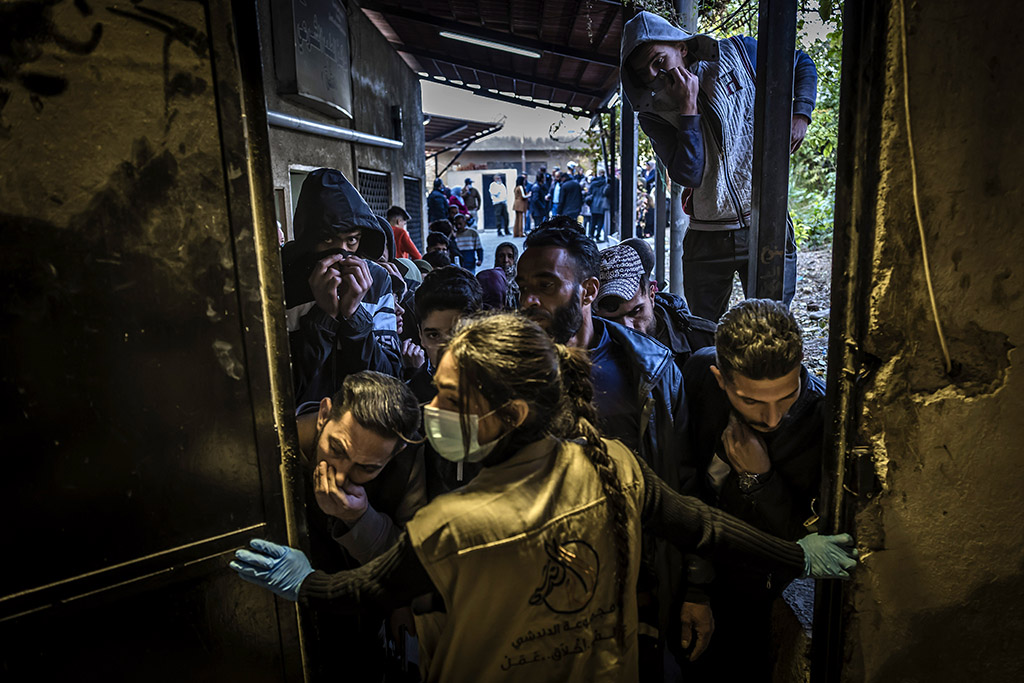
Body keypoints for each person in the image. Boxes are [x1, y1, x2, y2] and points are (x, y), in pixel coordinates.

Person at [232, 314, 858, 683]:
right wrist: (796, 555)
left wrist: (303, 580)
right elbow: (700, 525)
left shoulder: (454, 523)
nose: (431, 410)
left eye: (450, 399)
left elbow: (362, 592)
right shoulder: (610, 464)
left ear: (509, 415)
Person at [518, 223, 695, 677]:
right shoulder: (508, 377)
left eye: (546, 285)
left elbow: (685, 482)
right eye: (524, 286)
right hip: (542, 594)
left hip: (641, 593)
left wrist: (697, 588)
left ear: (588, 290)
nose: (529, 300)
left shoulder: (652, 371)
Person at [620, 11, 817, 321]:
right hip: (707, 237)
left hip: (766, 223)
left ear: (681, 47)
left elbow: (800, 62)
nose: (656, 75)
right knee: (706, 334)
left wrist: (800, 113)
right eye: (646, 73)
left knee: (774, 325)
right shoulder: (654, 114)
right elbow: (689, 174)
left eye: (659, 61)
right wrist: (688, 110)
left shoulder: (739, 53)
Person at [681, 299, 827, 681]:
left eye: (787, 396)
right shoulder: (697, 375)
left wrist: (760, 480)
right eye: (751, 401)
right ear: (720, 378)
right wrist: (694, 585)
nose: (772, 417)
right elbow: (679, 475)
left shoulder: (823, 419)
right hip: (689, 566)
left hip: (757, 588)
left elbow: (805, 540)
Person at [281, 169, 400, 405]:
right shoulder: (285, 280)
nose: (341, 252)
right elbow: (284, 387)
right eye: (327, 240)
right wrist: (323, 317)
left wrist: (355, 316)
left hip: (365, 419)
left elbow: (390, 380)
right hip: (305, 424)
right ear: (309, 239)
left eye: (351, 240)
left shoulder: (376, 280)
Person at [595, 239, 716, 371]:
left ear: (652, 294)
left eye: (636, 312)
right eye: (612, 320)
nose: (627, 327)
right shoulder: (589, 354)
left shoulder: (704, 341)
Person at [494, 242, 520, 310]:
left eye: (510, 256)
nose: (506, 260)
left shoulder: (520, 280)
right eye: (501, 256)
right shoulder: (491, 280)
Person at [588, 168, 610, 242]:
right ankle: (597, 236)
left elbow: (589, 193)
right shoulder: (606, 182)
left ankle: (591, 235)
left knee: (593, 221)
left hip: (593, 203)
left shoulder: (593, 182)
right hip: (602, 204)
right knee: (600, 221)